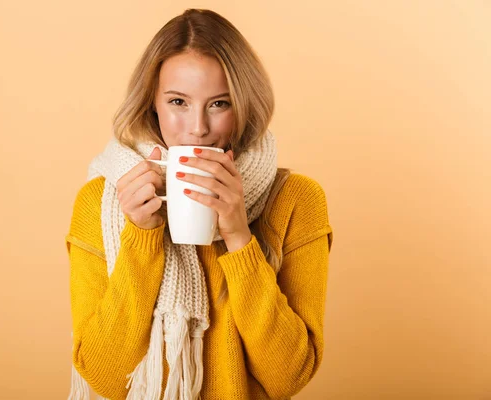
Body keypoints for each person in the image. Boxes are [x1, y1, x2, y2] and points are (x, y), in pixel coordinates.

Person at [65, 8, 333, 400]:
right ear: (151, 103)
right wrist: (140, 237)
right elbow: (105, 377)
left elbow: (288, 376)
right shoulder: (100, 202)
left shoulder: (296, 201)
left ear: (244, 104)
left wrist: (240, 236)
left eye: (219, 104)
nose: (198, 128)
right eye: (178, 101)